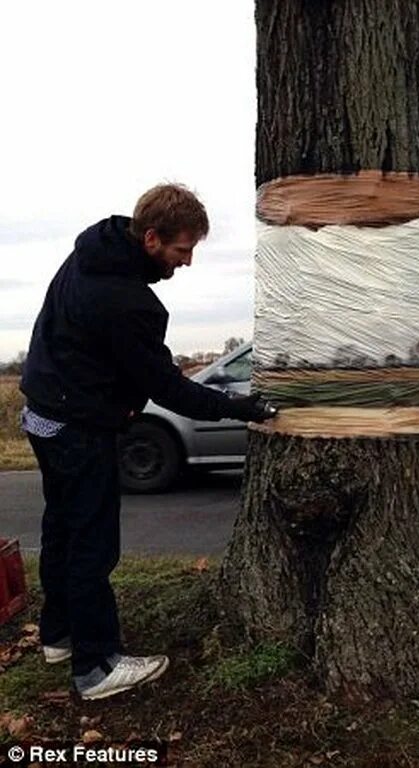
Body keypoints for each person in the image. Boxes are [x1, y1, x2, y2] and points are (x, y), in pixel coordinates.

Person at [20, 183, 274, 701]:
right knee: (93, 542)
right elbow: (168, 388)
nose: (187, 262)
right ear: (152, 238)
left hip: (42, 412)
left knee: (63, 529)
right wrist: (236, 408)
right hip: (78, 425)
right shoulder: (130, 302)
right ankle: (96, 668)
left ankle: (59, 635)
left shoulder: (92, 251)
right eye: (183, 250)